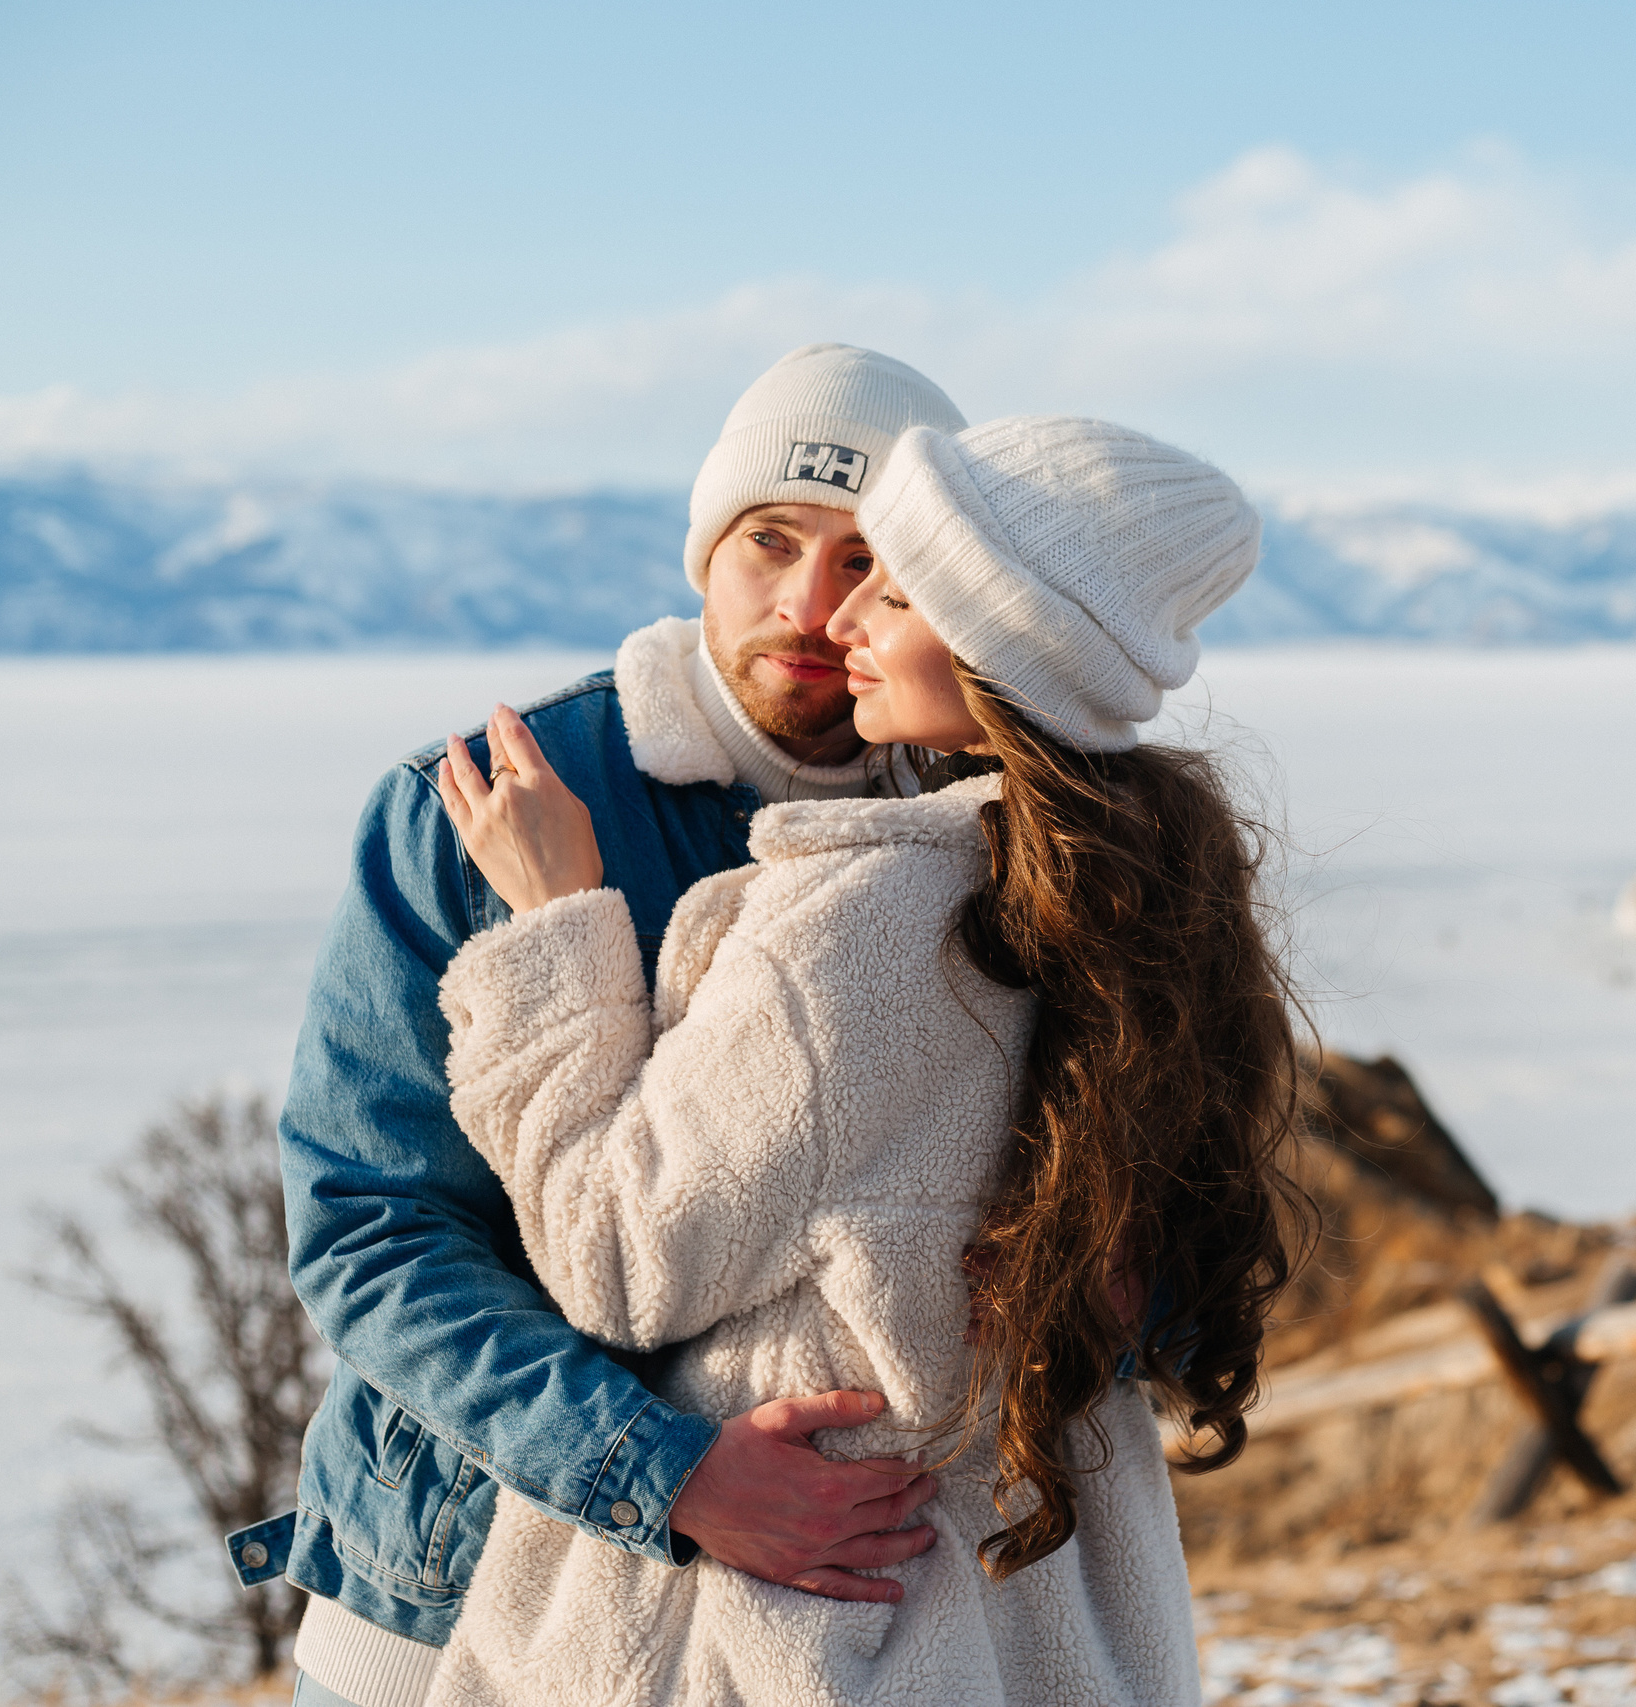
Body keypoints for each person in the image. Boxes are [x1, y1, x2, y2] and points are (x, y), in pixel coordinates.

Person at [417, 415, 1300, 1705]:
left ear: (1002, 644)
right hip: (1040, 1608)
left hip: (820, 1617)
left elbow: (616, 1258)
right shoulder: (1140, 892)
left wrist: (554, 932)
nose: (842, 626)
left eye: (891, 588)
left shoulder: (865, 927)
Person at [236, 345, 978, 1707]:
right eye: (770, 541)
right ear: (704, 550)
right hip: (454, 1599)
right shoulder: (476, 805)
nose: (812, 605)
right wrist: (667, 1471)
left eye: (869, 559)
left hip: (841, 1611)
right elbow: (372, 1221)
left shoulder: (981, 832)